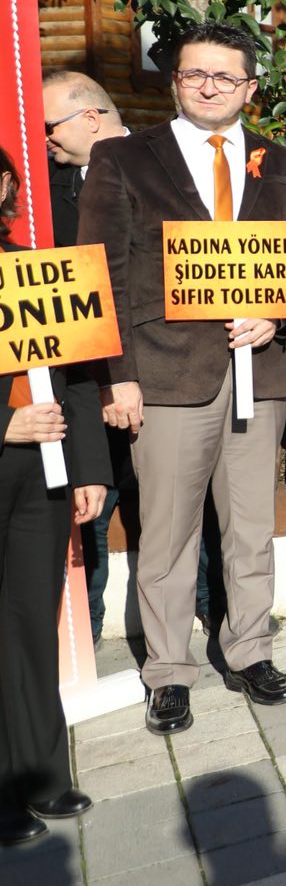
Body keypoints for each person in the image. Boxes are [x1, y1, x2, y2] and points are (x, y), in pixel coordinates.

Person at [78, 21, 286, 735]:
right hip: (163, 376)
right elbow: (102, 273)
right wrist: (116, 378)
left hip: (261, 372)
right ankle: (168, 672)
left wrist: (278, 313)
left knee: (251, 528)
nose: (210, 87)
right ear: (175, 81)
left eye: (225, 76)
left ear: (250, 87)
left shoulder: (282, 162)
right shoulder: (124, 158)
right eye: (196, 74)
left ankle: (251, 650)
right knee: (167, 535)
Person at [0, 143, 112, 846]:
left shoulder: (36, 268)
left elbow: (75, 373)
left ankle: (40, 773)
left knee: (30, 625)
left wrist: (89, 466)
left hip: (42, 474)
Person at [40, 70, 137, 644]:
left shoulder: (161, 164)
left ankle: (205, 608)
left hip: (159, 372)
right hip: (80, 377)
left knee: (179, 506)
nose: (45, 137)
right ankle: (89, 630)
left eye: (50, 125)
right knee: (91, 505)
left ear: (91, 118)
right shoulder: (44, 188)